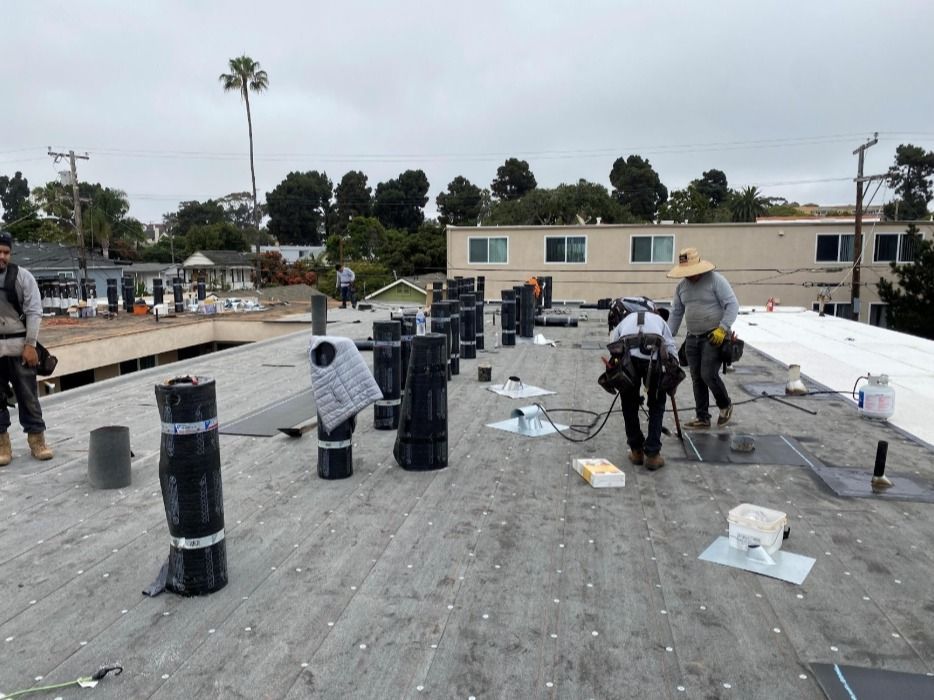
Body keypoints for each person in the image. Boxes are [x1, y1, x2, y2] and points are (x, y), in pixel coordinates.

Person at [666, 247, 739, 429]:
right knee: (697, 377)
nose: (689, 276)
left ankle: (725, 405)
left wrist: (723, 329)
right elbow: (676, 313)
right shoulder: (682, 287)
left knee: (708, 374)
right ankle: (702, 417)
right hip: (693, 337)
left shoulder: (716, 280)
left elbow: (732, 305)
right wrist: (666, 334)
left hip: (713, 336)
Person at [0, 230, 53, 465]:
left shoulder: (22, 277)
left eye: (6, 252)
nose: (2, 256)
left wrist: (31, 345)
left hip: (20, 346)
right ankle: (2, 445)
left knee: (28, 396)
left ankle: (37, 441)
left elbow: (34, 311)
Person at [608, 296, 678, 471]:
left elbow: (613, 344)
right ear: (654, 310)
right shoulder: (660, 320)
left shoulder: (626, 320)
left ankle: (637, 451)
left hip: (630, 360)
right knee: (657, 403)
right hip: (655, 360)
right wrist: (672, 374)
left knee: (629, 403)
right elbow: (670, 346)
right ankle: (653, 454)